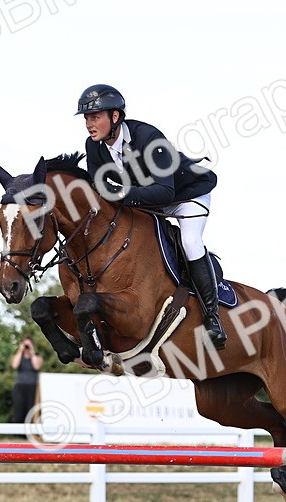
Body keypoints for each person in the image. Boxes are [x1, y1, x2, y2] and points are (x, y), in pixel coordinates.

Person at [76, 83, 226, 350]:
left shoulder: (148, 138)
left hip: (184, 196)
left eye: (95, 117)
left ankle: (212, 318)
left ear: (115, 116)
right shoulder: (94, 146)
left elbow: (165, 192)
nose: (89, 124)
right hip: (143, 199)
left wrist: (121, 194)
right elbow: (101, 189)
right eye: (86, 118)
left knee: (190, 242)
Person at [11, 337, 44, 424]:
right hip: (20, 385)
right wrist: (20, 350)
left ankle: (31, 431)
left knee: (32, 408)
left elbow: (37, 366)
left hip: (33, 385)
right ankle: (18, 433)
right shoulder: (19, 356)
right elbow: (14, 365)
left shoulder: (37, 356)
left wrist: (32, 352)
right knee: (19, 407)